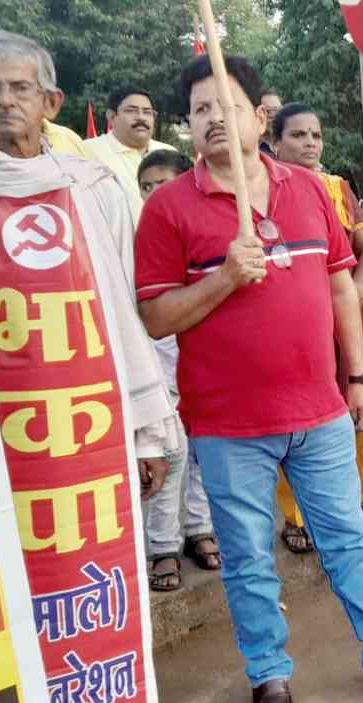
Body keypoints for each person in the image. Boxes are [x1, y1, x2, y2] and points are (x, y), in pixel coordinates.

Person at [135, 54, 363, 703]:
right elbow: (156, 313)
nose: (215, 118)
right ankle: (268, 677)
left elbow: (339, 287)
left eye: (229, 105)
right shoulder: (168, 208)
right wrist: (222, 279)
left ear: (260, 115)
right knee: (249, 561)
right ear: (187, 124)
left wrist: (357, 378)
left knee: (348, 543)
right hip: (226, 427)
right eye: (200, 110)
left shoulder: (308, 190)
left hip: (320, 411)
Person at [0, 29, 176, 584]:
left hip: (85, 425)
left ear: (50, 103)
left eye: (20, 88)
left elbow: (125, 313)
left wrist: (146, 434)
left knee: (94, 568)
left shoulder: (93, 189)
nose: (4, 101)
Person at [270, 103, 363, 548]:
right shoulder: (265, 191)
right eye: (298, 135)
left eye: (315, 136)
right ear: (276, 141)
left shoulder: (337, 186)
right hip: (295, 321)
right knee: (298, 411)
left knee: (361, 403)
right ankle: (297, 515)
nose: (309, 144)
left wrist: (358, 289)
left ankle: (360, 498)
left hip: (347, 313)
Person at [132, 149, 220, 592]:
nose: (155, 194)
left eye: (164, 184)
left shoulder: (201, 234)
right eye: (146, 186)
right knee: (168, 453)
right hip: (153, 367)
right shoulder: (132, 237)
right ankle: (163, 546)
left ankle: (199, 530)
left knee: (204, 453)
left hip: (203, 362)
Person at [82, 87, 177, 217]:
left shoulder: (170, 153)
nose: (141, 118)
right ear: (111, 116)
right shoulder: (87, 152)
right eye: (131, 111)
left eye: (147, 112)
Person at [258, 87, 281, 156]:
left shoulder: (290, 144)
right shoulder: (250, 149)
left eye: (278, 110)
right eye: (268, 111)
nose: (274, 115)